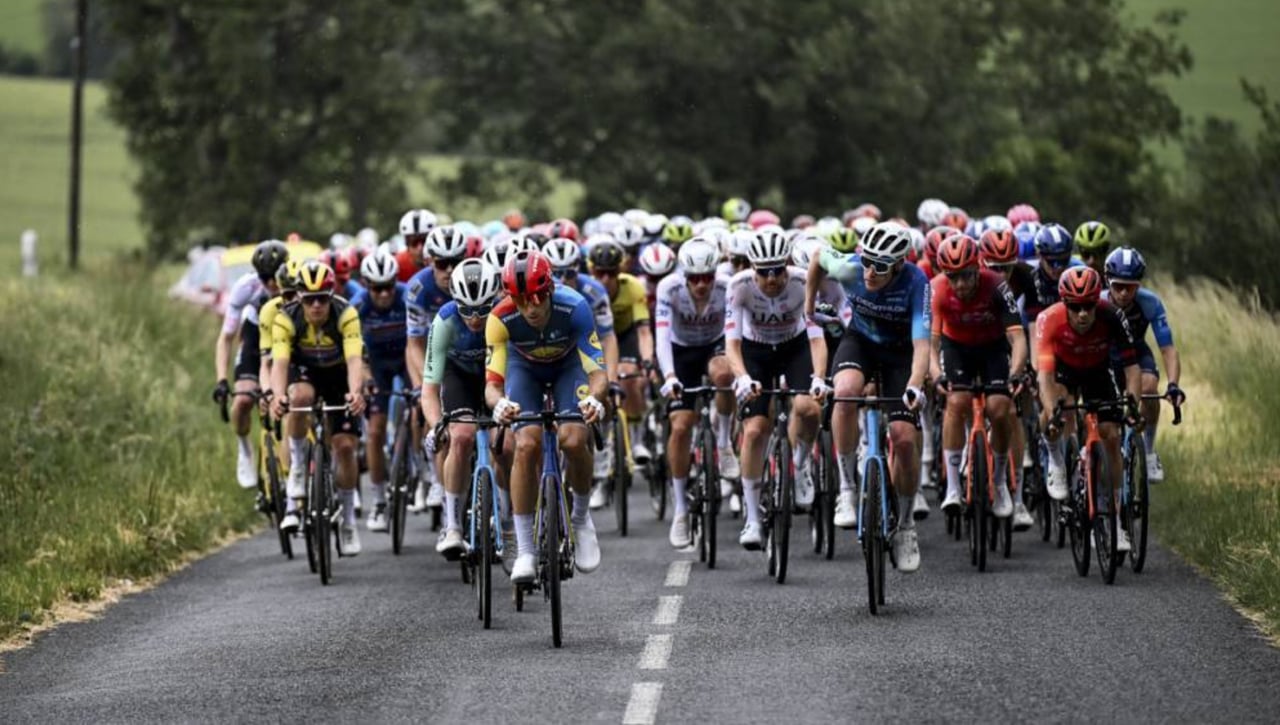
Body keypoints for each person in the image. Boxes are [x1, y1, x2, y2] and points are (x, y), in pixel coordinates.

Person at [805, 222, 930, 572]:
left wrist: (916, 385)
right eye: (868, 262)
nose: (870, 272)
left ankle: (906, 524)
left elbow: (922, 346)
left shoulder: (917, 283)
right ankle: (846, 487)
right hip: (859, 341)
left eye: (881, 266)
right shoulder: (851, 266)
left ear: (899, 265)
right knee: (843, 393)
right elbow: (816, 257)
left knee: (904, 440)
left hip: (901, 354)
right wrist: (809, 306)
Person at [485, 250, 608, 583]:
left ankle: (581, 520)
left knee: (573, 438)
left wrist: (596, 401)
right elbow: (492, 384)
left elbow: (597, 372)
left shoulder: (576, 307)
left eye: (538, 296)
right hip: (523, 368)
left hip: (569, 367)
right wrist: (498, 405)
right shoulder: (499, 318)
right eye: (521, 299)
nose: (531, 307)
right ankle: (526, 549)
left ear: (550, 288)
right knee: (525, 445)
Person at [725, 230, 825, 550]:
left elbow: (817, 337)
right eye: (763, 271)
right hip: (755, 352)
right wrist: (741, 378)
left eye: (777, 269)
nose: (771, 278)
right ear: (752, 268)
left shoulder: (800, 281)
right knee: (755, 430)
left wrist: (820, 378)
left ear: (787, 265)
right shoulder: (739, 286)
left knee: (809, 408)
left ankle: (800, 462)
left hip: (794, 348)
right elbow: (732, 343)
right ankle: (753, 519)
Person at [1035, 266, 1143, 551]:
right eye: (1075, 307)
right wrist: (1053, 411)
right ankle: (1058, 461)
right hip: (1063, 372)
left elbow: (1133, 369)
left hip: (1098, 370)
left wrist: (1132, 403)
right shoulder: (1049, 319)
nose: (1083, 313)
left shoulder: (1112, 316)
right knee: (1059, 412)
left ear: (1098, 302)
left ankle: (1117, 521)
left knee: (1111, 435)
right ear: (1064, 304)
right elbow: (1044, 377)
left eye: (1088, 306)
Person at [928, 235, 1028, 525]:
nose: (960, 284)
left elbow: (1017, 339)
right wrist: (936, 376)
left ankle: (998, 480)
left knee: (1000, 407)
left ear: (978, 268)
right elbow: (931, 344)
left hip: (992, 348)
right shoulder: (935, 289)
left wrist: (1016, 372)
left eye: (967, 276)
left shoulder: (997, 283)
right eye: (953, 277)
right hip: (955, 347)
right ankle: (953, 488)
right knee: (956, 401)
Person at [269, 261, 368, 553]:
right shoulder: (286, 318)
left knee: (346, 447)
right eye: (309, 299)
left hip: (338, 374)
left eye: (321, 298)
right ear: (299, 297)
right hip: (305, 371)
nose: (315, 306)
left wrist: (355, 393)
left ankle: (348, 521)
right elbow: (280, 363)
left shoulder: (345, 314)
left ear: (330, 295)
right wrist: (277, 396)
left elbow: (353, 361)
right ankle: (299, 467)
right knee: (298, 399)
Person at [654, 238, 738, 547]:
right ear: (684, 275)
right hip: (680, 351)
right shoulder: (669, 288)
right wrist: (670, 376)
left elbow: (734, 334)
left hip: (715, 345)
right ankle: (679, 508)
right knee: (680, 427)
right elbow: (661, 337)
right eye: (694, 278)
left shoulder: (727, 286)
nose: (701, 285)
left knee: (724, 374)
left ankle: (726, 441)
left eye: (707, 277)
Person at [422, 259, 503, 557]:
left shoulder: (505, 315)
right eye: (466, 309)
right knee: (461, 436)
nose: (474, 318)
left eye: (483, 308)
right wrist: (435, 426)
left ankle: (505, 518)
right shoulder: (444, 321)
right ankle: (452, 525)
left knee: (503, 444)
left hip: (498, 376)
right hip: (460, 379)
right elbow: (429, 389)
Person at [542, 237, 622, 507]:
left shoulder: (594, 291)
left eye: (570, 272)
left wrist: (608, 377)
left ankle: (600, 460)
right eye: (557, 272)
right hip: (547, 357)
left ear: (580, 269)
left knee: (603, 396)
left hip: (585, 352)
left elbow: (608, 338)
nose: (564, 278)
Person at [1102, 247, 1186, 482]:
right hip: (1105, 356)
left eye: (1131, 286)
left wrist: (1173, 385)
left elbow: (1168, 350)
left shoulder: (1150, 303)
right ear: (1108, 281)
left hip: (1136, 353)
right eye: (1118, 285)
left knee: (1149, 388)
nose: (1124, 293)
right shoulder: (1096, 302)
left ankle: (1148, 452)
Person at [213, 240, 288, 491]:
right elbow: (226, 338)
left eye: (275, 277)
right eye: (265, 278)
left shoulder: (296, 283)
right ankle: (244, 448)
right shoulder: (246, 287)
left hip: (287, 338)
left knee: (291, 403)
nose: (271, 284)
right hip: (256, 336)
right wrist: (222, 380)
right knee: (243, 401)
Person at [349, 251, 409, 532]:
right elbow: (354, 353)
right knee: (374, 432)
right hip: (376, 365)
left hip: (406, 357)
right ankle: (379, 501)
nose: (384, 294)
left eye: (389, 286)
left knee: (422, 408)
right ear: (365, 284)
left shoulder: (407, 296)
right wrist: (367, 378)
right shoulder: (357, 305)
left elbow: (422, 340)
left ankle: (424, 470)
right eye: (377, 288)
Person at [405, 225, 464, 509]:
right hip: (431, 353)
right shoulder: (418, 288)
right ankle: (437, 481)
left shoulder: (477, 278)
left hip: (467, 354)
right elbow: (414, 344)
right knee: (432, 414)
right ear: (430, 261)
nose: (450, 270)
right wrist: (423, 384)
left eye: (456, 262)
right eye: (442, 263)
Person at [588, 239, 655, 461]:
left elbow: (644, 331)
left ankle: (636, 441)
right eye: (600, 273)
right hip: (595, 337)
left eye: (611, 272)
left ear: (621, 269)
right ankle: (603, 440)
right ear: (592, 271)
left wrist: (647, 360)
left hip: (624, 336)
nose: (605, 279)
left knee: (628, 376)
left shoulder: (633, 286)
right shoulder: (588, 290)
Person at [395, 209, 438, 283]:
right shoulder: (397, 265)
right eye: (414, 242)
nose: (420, 248)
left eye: (425, 241)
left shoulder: (445, 260)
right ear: (406, 244)